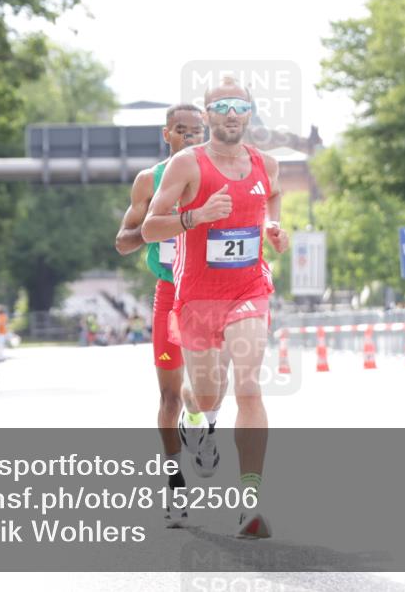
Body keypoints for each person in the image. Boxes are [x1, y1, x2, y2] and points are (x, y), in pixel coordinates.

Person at [142, 78, 289, 538]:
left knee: (248, 387)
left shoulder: (267, 164)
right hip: (197, 297)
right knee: (206, 394)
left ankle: (250, 504)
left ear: (249, 113)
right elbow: (149, 228)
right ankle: (193, 415)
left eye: (239, 106)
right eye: (221, 106)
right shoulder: (187, 164)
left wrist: (273, 228)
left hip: (249, 289)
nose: (231, 113)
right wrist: (195, 217)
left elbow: (273, 198)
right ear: (207, 116)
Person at [116, 103, 230, 528]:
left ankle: (201, 422)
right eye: (182, 131)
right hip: (170, 290)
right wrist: (156, 222)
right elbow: (125, 241)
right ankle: (175, 484)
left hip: (210, 292)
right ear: (168, 134)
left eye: (197, 132)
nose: (190, 138)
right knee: (168, 394)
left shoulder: (219, 174)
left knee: (209, 388)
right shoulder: (151, 180)